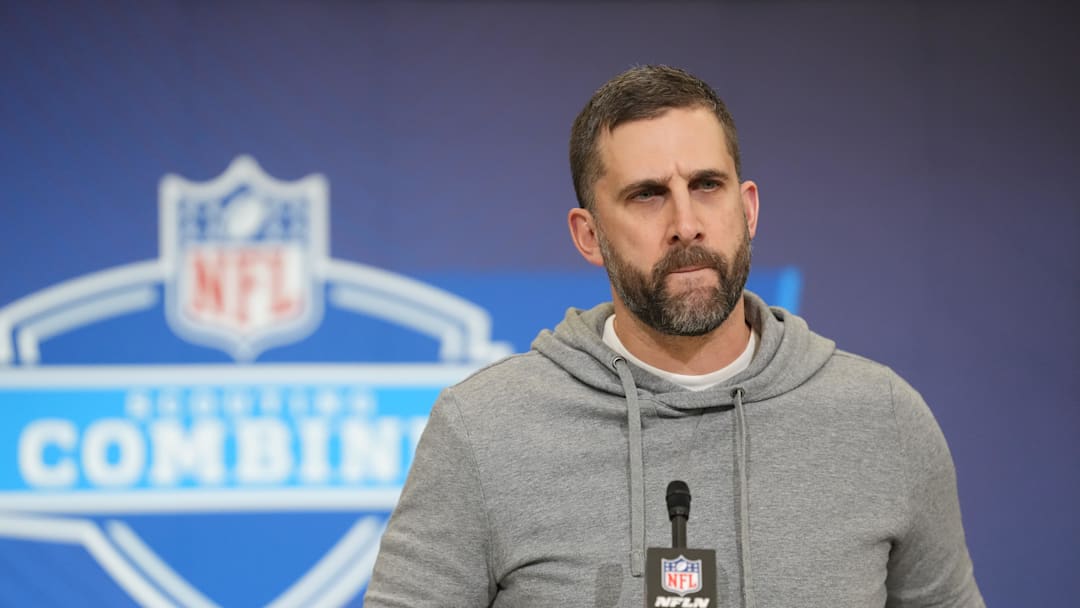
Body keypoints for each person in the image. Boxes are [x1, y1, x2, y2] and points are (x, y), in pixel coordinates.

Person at [364, 65, 983, 607]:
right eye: (647, 195)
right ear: (588, 235)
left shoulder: (883, 419)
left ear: (749, 210)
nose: (686, 224)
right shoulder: (483, 430)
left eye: (707, 187)